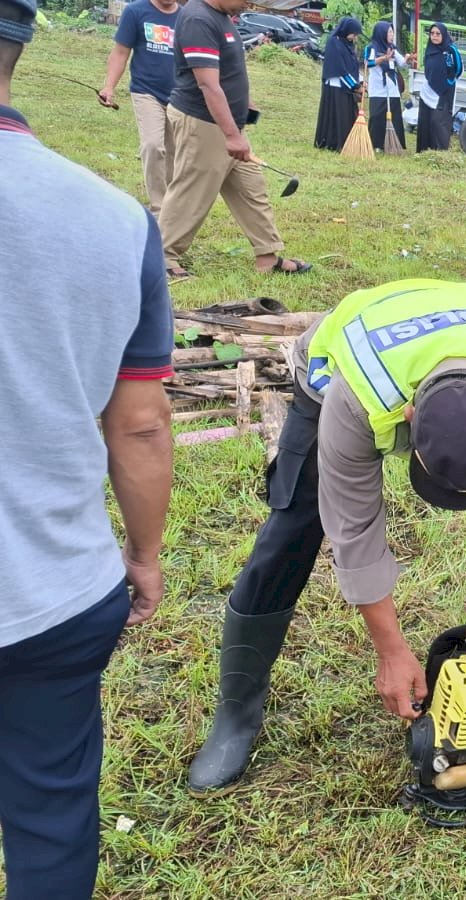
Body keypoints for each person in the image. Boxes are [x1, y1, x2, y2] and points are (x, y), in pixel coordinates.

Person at [187, 279, 466, 792]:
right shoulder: (356, 399)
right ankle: (236, 715)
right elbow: (355, 527)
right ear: (410, 422)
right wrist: (390, 651)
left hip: (453, 341)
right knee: (297, 523)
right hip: (338, 365)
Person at [1, 0, 175, 891]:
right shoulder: (114, 219)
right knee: (49, 817)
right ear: (20, 50)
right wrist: (142, 554)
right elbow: (139, 423)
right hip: (54, 591)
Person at [159, 0, 310, 279]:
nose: (246, 5)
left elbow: (229, 71)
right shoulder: (198, 19)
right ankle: (163, 257)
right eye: (244, 0)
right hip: (203, 121)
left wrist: (244, 105)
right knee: (192, 189)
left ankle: (268, 256)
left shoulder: (222, 16)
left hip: (229, 123)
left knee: (251, 188)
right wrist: (231, 134)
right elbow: (207, 83)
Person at [97, 0, 180, 216]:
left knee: (175, 154)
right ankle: (159, 208)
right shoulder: (136, 11)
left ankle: (172, 209)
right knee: (153, 145)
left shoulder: (188, 17)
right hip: (146, 91)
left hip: (180, 96)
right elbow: (121, 52)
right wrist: (109, 87)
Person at [313, 17, 363, 151]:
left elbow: (353, 66)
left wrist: (361, 82)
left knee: (347, 115)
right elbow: (340, 69)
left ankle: (348, 142)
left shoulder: (348, 44)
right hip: (336, 86)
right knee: (338, 116)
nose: (355, 37)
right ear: (346, 30)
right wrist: (356, 86)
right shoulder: (333, 43)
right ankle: (334, 143)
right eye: (354, 34)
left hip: (347, 86)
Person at [415, 22, 461, 153]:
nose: (434, 36)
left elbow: (458, 69)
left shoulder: (451, 50)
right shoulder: (429, 49)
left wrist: (449, 82)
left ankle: (440, 152)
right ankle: (424, 151)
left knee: (438, 121)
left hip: (444, 91)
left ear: (443, 34)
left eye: (438, 34)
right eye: (432, 33)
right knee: (426, 120)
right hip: (429, 89)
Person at [364, 20, 406, 152]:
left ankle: (393, 144)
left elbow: (402, 63)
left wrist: (408, 59)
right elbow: (368, 63)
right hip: (377, 88)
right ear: (381, 33)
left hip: (392, 88)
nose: (392, 34)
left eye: (392, 32)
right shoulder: (372, 48)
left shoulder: (392, 48)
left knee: (394, 116)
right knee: (377, 116)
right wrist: (383, 58)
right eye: (389, 32)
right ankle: (377, 144)